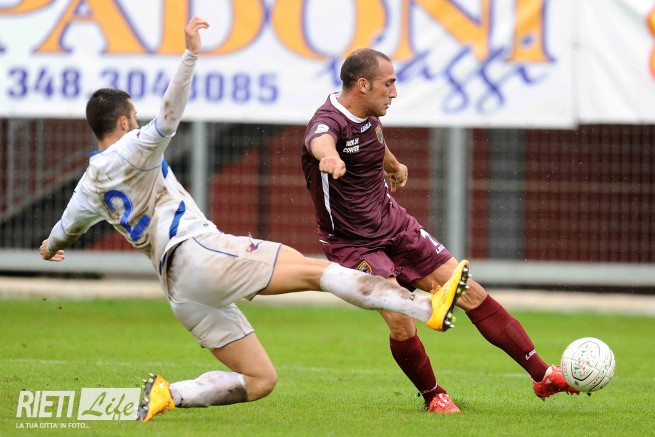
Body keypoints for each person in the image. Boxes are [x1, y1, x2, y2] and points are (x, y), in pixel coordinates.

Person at [39, 18, 470, 423]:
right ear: (124, 121)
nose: (139, 122)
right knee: (318, 272)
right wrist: (190, 55)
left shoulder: (88, 185)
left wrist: (49, 248)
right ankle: (425, 307)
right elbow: (170, 114)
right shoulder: (135, 145)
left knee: (260, 379)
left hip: (179, 290)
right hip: (201, 252)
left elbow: (64, 231)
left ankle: (171, 395)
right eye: (134, 117)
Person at [301, 48, 579, 413]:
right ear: (363, 85)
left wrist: (393, 164)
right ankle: (434, 396)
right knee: (400, 320)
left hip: (395, 226)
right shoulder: (327, 122)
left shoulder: (370, 116)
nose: (394, 92)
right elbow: (319, 140)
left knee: (471, 292)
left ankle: (542, 374)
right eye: (389, 84)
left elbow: (374, 141)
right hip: (353, 244)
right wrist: (329, 156)